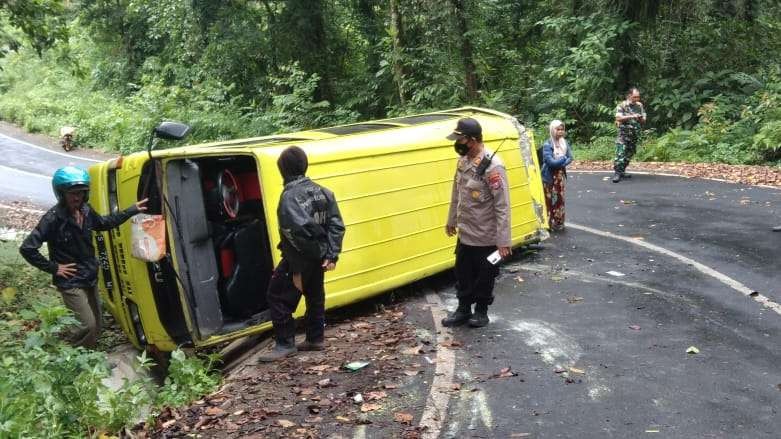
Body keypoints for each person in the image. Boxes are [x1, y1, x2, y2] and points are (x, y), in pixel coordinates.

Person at [19, 166, 147, 348]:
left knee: (97, 324)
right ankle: (74, 359)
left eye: (80, 193)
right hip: (70, 281)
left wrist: (132, 210)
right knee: (87, 325)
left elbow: (104, 223)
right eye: (72, 193)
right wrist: (54, 268)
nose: (76, 197)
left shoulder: (86, 210)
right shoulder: (53, 219)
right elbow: (27, 248)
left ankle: (91, 358)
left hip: (89, 276)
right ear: (62, 194)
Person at [258, 146, 345, 362]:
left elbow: (295, 234)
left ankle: (284, 344)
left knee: (277, 296)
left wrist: (297, 269)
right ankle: (315, 338)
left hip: (299, 258)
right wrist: (330, 254)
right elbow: (337, 226)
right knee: (315, 296)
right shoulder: (324, 191)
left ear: (283, 170)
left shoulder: (289, 197)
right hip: (319, 257)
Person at [442, 117, 511, 328]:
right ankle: (463, 309)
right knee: (462, 273)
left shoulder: (493, 167)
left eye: (460, 139)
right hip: (466, 233)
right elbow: (457, 194)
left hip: (486, 237)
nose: (457, 143)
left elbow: (502, 206)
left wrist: (503, 241)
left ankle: (481, 311)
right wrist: (451, 220)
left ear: (472, 140)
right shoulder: (463, 162)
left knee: (485, 276)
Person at [541, 120, 573, 231]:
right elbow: (551, 163)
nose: (560, 132)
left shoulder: (564, 142)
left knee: (559, 199)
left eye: (562, 129)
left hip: (559, 176)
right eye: (557, 129)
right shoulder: (547, 144)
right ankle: (548, 224)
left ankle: (559, 222)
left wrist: (561, 161)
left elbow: (571, 157)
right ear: (552, 130)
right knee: (549, 200)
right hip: (549, 176)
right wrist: (563, 159)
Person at [613, 87, 646, 183]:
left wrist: (640, 118)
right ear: (629, 96)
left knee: (629, 153)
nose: (637, 99)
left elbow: (644, 119)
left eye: (638, 97)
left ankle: (622, 170)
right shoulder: (622, 105)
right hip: (623, 133)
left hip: (634, 134)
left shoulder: (639, 105)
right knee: (620, 153)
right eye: (635, 97)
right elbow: (618, 118)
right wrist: (631, 116)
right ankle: (617, 173)